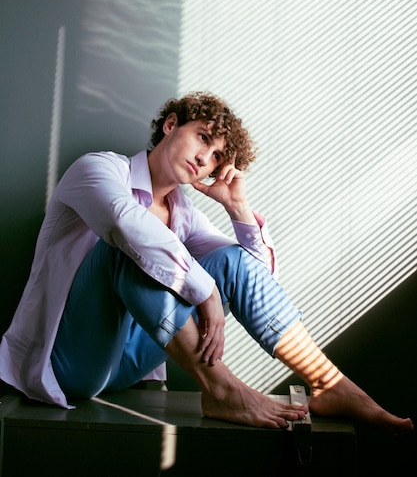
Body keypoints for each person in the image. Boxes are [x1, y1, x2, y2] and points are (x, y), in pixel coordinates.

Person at [0, 92, 413, 433]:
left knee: (228, 260)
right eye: (202, 139)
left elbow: (254, 279)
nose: (205, 159)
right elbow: (127, 228)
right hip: (69, 363)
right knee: (128, 249)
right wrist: (205, 290)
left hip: (127, 366)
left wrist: (239, 211)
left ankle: (327, 382)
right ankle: (223, 392)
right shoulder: (98, 169)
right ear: (170, 125)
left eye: (216, 156)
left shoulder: (184, 215)